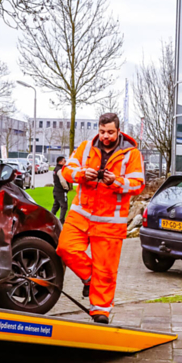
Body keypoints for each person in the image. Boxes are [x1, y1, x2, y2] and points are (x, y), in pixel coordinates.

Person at [57, 113, 144, 324]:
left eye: (110, 132)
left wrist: (115, 181)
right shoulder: (86, 147)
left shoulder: (131, 154)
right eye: (102, 131)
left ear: (118, 131)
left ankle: (100, 312)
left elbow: (138, 184)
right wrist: (81, 174)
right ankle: (90, 280)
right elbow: (67, 169)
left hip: (109, 221)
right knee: (65, 248)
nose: (105, 136)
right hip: (81, 215)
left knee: (106, 270)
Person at [51, 155, 69, 222]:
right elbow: (62, 181)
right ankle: (61, 220)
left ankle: (50, 218)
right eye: (64, 161)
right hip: (61, 191)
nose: (65, 162)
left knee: (56, 205)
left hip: (56, 190)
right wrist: (66, 188)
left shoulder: (55, 169)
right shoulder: (60, 170)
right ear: (61, 162)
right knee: (64, 206)